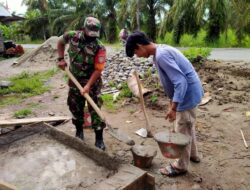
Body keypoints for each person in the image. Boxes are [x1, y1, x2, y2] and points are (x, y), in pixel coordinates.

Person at [125, 31, 204, 177]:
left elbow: (180, 82)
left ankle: (180, 167)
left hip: (186, 94)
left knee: (182, 129)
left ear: (139, 46)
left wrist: (174, 108)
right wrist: (171, 102)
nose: (138, 56)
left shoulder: (161, 55)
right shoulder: (160, 51)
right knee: (188, 125)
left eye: (136, 53)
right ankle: (193, 155)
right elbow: (172, 81)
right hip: (189, 92)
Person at [57, 17, 106, 151]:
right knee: (75, 107)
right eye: (89, 35)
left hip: (92, 82)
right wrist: (61, 59)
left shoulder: (99, 47)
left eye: (94, 36)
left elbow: (98, 70)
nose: (92, 38)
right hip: (74, 79)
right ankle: (79, 132)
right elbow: (60, 42)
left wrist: (88, 85)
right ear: (84, 29)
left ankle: (99, 138)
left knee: (95, 109)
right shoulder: (71, 36)